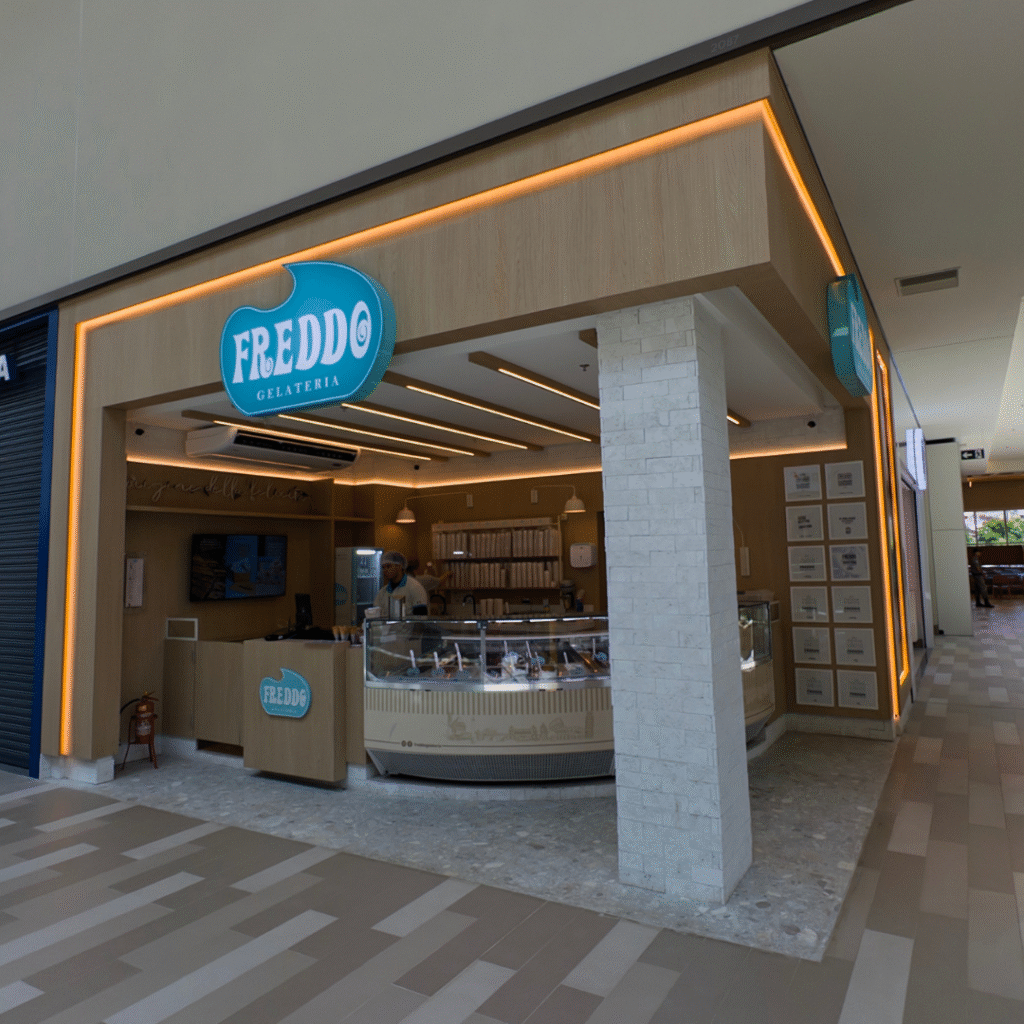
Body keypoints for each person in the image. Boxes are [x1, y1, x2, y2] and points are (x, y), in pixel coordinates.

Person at [374, 551, 428, 617]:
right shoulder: (382, 592)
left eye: (388, 566)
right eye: (383, 567)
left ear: (399, 566)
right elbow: (375, 616)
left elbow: (421, 618)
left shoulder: (415, 587)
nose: (385, 570)